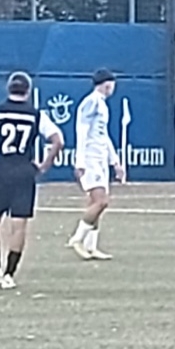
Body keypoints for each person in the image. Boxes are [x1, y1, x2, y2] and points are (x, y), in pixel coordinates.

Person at [0, 71, 64, 289]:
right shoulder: (36, 115)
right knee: (19, 225)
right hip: (24, 173)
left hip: (1, 172)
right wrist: (44, 164)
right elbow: (58, 140)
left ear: (8, 88)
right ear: (28, 91)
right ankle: (9, 274)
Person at [66, 68, 125, 261]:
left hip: (100, 158)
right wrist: (80, 160)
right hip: (91, 158)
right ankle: (77, 239)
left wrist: (114, 161)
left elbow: (103, 135)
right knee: (101, 201)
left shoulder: (101, 104)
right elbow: (82, 131)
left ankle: (91, 247)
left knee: (95, 203)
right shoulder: (91, 102)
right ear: (107, 84)